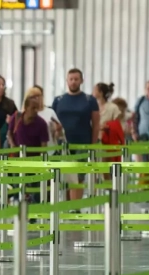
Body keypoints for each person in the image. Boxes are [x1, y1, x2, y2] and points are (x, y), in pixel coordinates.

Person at [52, 68, 100, 201]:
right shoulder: (58, 100)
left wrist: (93, 144)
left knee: (78, 175)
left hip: (83, 142)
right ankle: (68, 204)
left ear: (81, 81)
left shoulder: (90, 100)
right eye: (71, 79)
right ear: (67, 81)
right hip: (63, 143)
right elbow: (52, 121)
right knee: (66, 175)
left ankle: (75, 206)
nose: (73, 82)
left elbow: (96, 124)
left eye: (76, 79)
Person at [31, 85, 64, 152]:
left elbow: (60, 136)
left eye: (38, 96)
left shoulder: (50, 112)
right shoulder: (25, 113)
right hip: (31, 152)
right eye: (33, 96)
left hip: (50, 151)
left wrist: (58, 130)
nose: (36, 99)